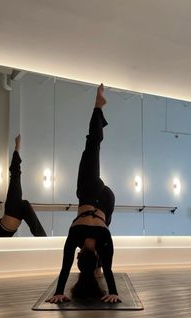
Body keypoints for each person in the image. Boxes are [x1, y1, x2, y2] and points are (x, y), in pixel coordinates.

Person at [46, 84, 121, 304]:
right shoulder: (76, 235)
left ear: (96, 254)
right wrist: (60, 291)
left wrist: (113, 291)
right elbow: (65, 266)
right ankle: (98, 108)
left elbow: (109, 268)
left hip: (107, 202)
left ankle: (94, 270)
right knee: (92, 145)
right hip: (89, 193)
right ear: (80, 255)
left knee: (107, 222)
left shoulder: (104, 239)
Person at [0, 134, 47, 237]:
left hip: (11, 210)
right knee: (25, 204)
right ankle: (44, 239)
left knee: (15, 174)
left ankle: (17, 147)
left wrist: (17, 146)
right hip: (14, 213)